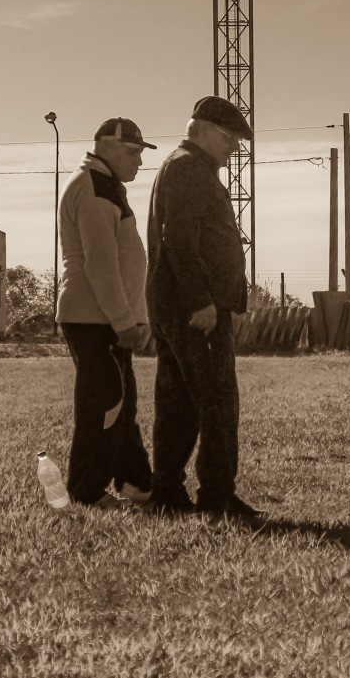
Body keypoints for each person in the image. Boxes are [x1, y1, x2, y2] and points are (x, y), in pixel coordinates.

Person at [146, 96, 261, 520]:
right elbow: (178, 239)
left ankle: (167, 492)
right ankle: (216, 495)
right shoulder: (191, 169)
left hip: (175, 306)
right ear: (204, 129)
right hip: (196, 309)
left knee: (178, 405)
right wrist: (202, 302)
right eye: (230, 139)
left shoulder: (180, 165)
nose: (234, 148)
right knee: (217, 401)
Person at [56, 118, 157, 508]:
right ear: (105, 147)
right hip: (95, 319)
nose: (138, 162)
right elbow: (101, 263)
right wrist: (124, 322)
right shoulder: (96, 188)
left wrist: (134, 316)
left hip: (102, 318)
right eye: (131, 153)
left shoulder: (105, 184)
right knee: (105, 407)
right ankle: (85, 492)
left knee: (121, 404)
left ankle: (137, 485)